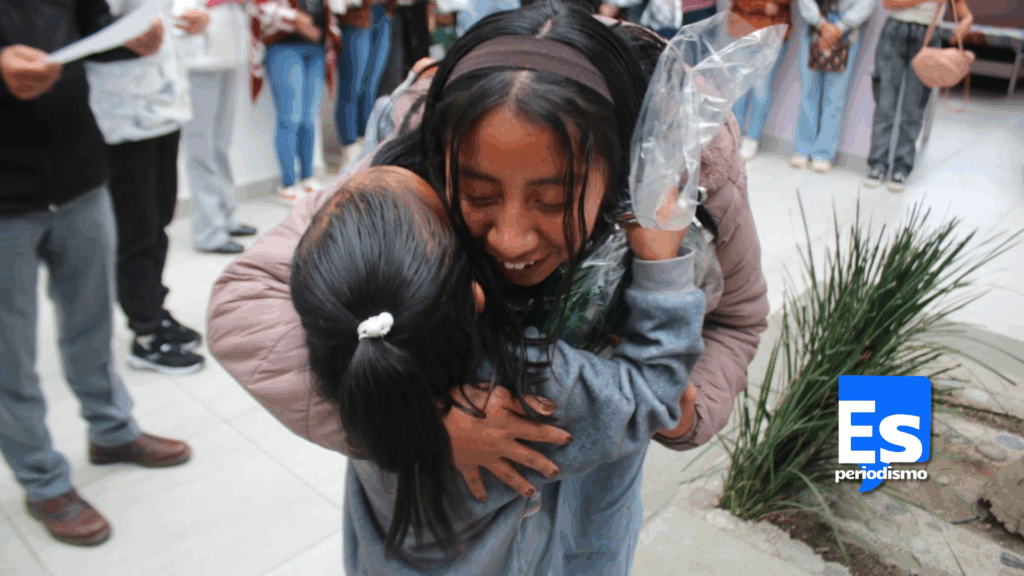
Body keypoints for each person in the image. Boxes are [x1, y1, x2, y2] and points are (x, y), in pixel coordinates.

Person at [208, 3, 768, 572]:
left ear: (620, 166)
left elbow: (738, 320)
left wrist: (689, 414)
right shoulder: (401, 185)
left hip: (580, 539)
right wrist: (417, 425)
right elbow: (243, 304)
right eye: (476, 194)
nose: (510, 239)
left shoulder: (683, 172)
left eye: (553, 200)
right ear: (438, 155)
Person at [282, 165, 703, 571]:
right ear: (474, 297)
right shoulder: (527, 388)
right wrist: (661, 270)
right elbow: (652, 394)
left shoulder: (352, 370)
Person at [1, 1, 192, 547]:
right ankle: (42, 478)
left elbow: (92, 30)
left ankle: (112, 430)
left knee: (91, 322)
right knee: (10, 351)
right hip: (5, 201)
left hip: (80, 175)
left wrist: (128, 41)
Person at [86, 0, 210, 375]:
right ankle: (146, 333)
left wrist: (182, 19)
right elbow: (82, 30)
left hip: (163, 106)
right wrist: (122, 35)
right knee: (137, 229)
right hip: (121, 114)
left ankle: (155, 307)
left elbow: (152, 14)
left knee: (160, 219)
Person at [173, 0, 261, 254]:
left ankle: (226, 217)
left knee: (220, 146)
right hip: (199, 61)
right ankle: (208, 232)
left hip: (230, 56)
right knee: (201, 151)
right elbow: (175, 12)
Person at [863, 0, 973, 191]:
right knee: (885, 105)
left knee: (913, 109)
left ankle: (901, 168)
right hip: (895, 30)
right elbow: (889, 3)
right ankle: (877, 164)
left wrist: (966, 23)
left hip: (929, 35)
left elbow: (963, 11)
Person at [257, 0, 341, 204]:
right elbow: (261, 7)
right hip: (284, 47)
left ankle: (307, 177)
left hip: (316, 48)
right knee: (290, 118)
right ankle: (288, 184)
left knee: (309, 119)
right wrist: (295, 19)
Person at [790, 0, 875, 173]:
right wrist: (820, 23)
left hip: (846, 27)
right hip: (815, 21)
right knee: (809, 91)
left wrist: (840, 27)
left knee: (835, 96)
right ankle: (803, 148)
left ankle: (823, 153)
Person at [730, 0, 793, 161]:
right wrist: (763, 5)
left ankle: (752, 138)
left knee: (760, 89)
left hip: (770, 32)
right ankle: (734, 135)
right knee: (739, 89)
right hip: (742, 28)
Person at [333, 0, 396, 159]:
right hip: (355, 16)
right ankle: (350, 148)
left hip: (382, 14)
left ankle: (367, 146)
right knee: (352, 88)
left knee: (371, 88)